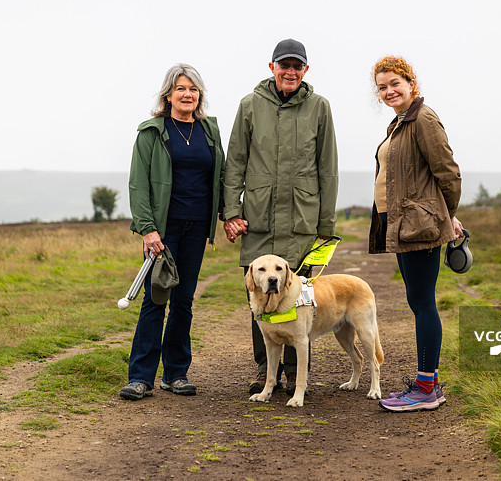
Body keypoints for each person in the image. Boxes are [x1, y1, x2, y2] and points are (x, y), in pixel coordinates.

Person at [223, 38, 339, 396]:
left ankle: (295, 375)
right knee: (260, 297)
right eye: (284, 65)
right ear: (271, 67)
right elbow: (235, 163)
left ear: (305, 71)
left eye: (297, 66)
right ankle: (265, 371)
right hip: (258, 218)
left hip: (301, 222)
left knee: (299, 299)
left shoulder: (319, 107)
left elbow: (328, 168)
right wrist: (231, 211)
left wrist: (325, 226)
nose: (290, 71)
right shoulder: (249, 105)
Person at [119, 64, 225, 400]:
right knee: (155, 299)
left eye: (193, 89)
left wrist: (229, 215)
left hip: (196, 228)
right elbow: (138, 185)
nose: (187, 94)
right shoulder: (152, 132)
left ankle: (176, 374)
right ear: (168, 94)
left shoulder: (209, 131)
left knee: (184, 302)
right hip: (164, 231)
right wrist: (148, 230)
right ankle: (141, 377)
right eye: (181, 88)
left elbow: (221, 176)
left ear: (200, 95)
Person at [369, 56, 463, 413]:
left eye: (395, 83)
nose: (389, 91)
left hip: (420, 225)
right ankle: (430, 383)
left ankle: (426, 388)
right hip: (404, 225)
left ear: (411, 83)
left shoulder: (423, 118)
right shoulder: (399, 123)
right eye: (382, 86)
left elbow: (448, 173)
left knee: (423, 302)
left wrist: (447, 216)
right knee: (417, 301)